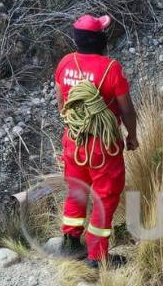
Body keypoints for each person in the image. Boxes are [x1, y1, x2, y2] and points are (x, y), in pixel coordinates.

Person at [54, 14, 137, 269]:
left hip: (74, 141)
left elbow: (61, 105)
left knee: (77, 190)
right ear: (100, 39)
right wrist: (131, 136)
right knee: (105, 196)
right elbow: (126, 110)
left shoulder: (66, 63)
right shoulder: (111, 69)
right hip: (103, 146)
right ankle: (97, 256)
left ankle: (70, 242)